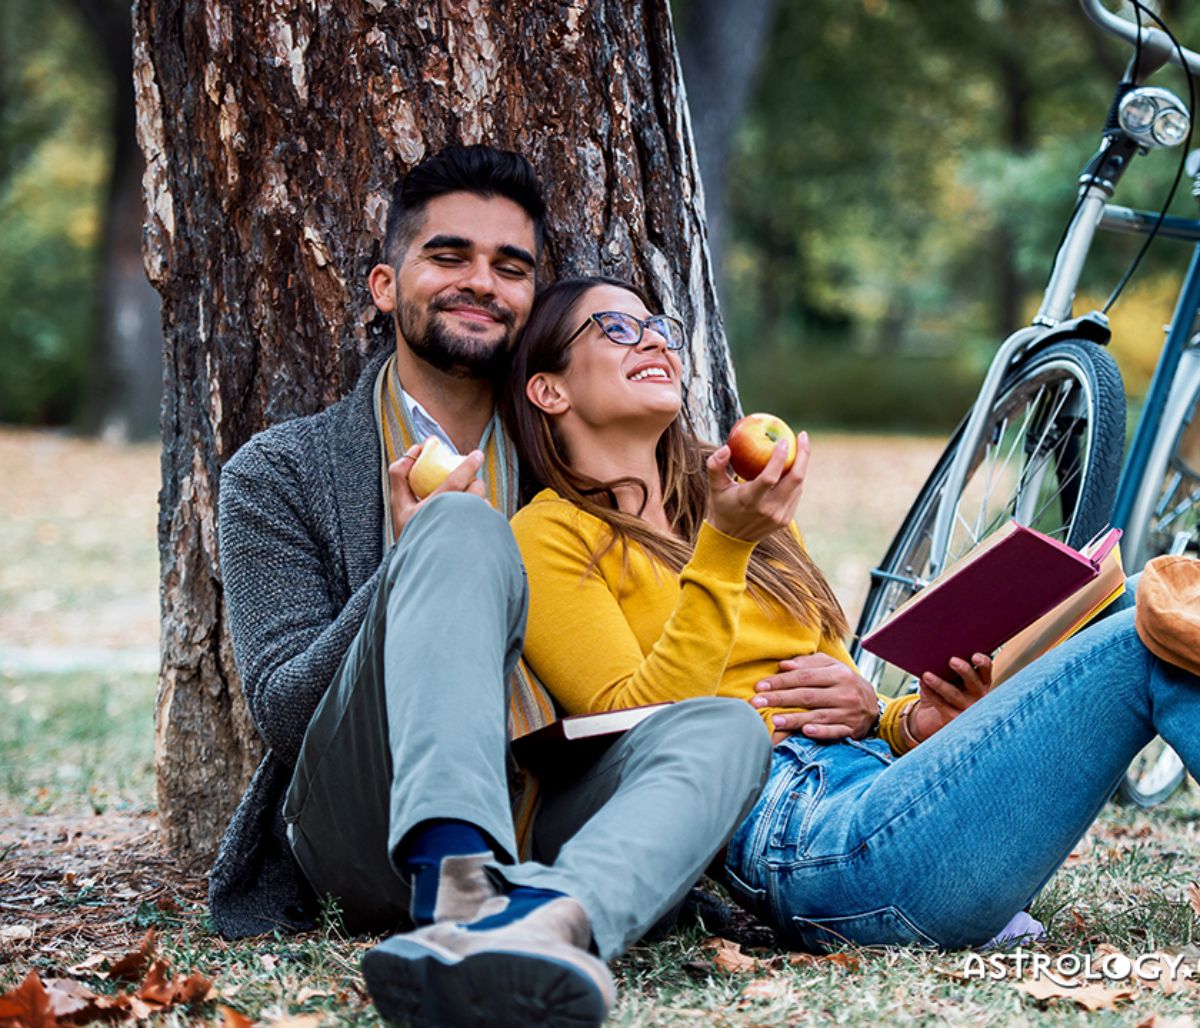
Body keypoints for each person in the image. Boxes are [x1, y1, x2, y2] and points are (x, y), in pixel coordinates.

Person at [211, 145, 802, 1028]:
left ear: (529, 303)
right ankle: (459, 890)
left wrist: (867, 703)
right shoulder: (280, 472)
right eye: (449, 256)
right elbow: (286, 715)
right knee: (457, 527)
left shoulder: (580, 468)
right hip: (362, 816)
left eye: (510, 267)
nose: (480, 283)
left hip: (555, 814)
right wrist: (402, 568)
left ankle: (552, 927)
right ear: (384, 284)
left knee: (722, 728)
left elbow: (669, 674)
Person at [502, 273, 1200, 953]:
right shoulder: (555, 534)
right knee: (1153, 620)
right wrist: (723, 546)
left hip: (889, 795)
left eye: (659, 328)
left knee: (1153, 592)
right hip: (808, 844)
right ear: (548, 388)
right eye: (617, 328)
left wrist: (908, 717)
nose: (652, 341)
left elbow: (838, 692)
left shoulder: (747, 505)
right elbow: (636, 733)